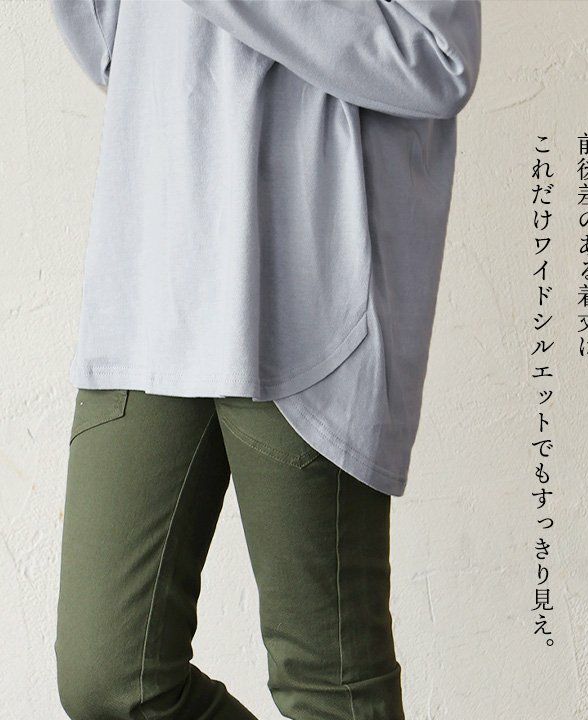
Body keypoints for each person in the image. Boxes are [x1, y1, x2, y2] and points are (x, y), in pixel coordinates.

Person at [49, 1, 482, 718]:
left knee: (330, 687)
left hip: (305, 296)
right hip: (155, 270)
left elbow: (438, 59)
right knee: (109, 676)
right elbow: (112, 46)